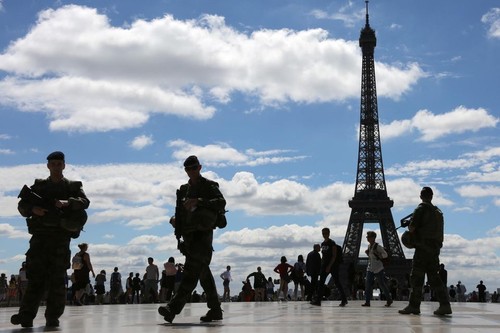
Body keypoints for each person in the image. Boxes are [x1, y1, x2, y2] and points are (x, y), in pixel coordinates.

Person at [11, 151, 90, 328]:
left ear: (64, 165)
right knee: (35, 279)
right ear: (48, 166)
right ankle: (26, 315)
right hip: (39, 239)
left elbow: (85, 202)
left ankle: (53, 317)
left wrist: (67, 202)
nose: (55, 166)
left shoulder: (73, 186)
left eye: (58, 164)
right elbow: (22, 205)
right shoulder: (39, 186)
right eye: (52, 164)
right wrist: (33, 210)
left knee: (56, 281)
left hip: (60, 239)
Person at [158, 155, 226, 323]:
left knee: (190, 272)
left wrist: (199, 201)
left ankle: (172, 308)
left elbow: (221, 202)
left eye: (194, 168)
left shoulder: (209, 186)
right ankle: (215, 309)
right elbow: (180, 211)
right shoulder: (182, 190)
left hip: (203, 235)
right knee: (202, 272)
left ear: (200, 167)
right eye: (188, 169)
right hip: (188, 236)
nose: (191, 172)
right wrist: (176, 225)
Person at [399, 187, 452, 316]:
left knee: (417, 278)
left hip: (422, 248)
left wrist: (408, 225)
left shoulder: (421, 209)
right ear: (432, 196)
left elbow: (412, 228)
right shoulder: (438, 212)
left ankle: (414, 305)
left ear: (421, 196)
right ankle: (445, 305)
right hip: (434, 249)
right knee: (434, 278)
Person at [311, 228, 347, 307]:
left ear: (329, 233)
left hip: (332, 266)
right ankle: (318, 300)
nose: (325, 235)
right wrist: (323, 265)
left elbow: (334, 256)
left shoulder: (332, 243)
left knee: (337, 282)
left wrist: (329, 266)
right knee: (321, 283)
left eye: (326, 233)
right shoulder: (323, 244)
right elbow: (324, 256)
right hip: (324, 266)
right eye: (323, 233)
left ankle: (344, 299)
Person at [362, 231, 393, 307]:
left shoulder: (378, 247)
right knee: (368, 285)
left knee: (382, 284)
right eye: (367, 237)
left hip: (378, 268)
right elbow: (371, 258)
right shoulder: (369, 246)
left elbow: (385, 255)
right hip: (370, 268)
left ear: (373, 238)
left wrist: (378, 255)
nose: (367, 238)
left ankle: (389, 299)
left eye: (368, 237)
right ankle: (367, 302)